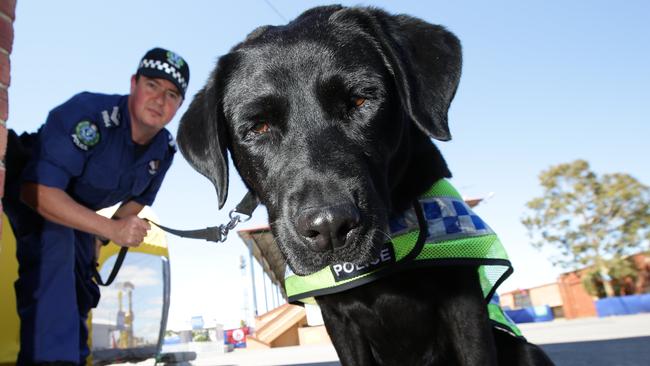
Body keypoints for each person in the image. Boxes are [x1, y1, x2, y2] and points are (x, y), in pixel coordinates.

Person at [2, 47, 189, 365]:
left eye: (171, 94)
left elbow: (137, 201)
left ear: (179, 106)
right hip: (32, 185)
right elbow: (39, 193)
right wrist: (110, 228)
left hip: (75, 211)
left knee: (80, 288)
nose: (160, 100)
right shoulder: (89, 114)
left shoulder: (164, 149)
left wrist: (99, 238)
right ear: (134, 83)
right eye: (152, 86)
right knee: (55, 252)